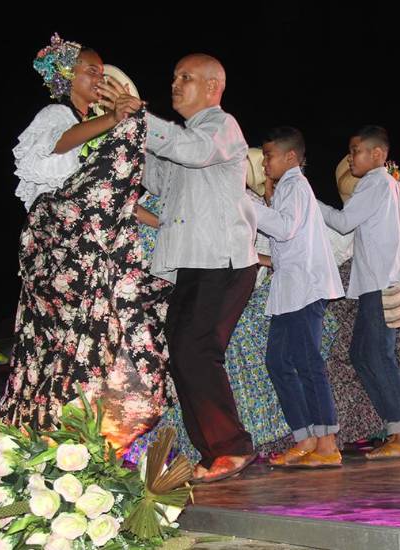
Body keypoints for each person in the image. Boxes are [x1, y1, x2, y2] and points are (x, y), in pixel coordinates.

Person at [0, 35, 171, 457]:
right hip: (58, 234)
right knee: (66, 331)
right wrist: (114, 118)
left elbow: (114, 197)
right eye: (91, 71)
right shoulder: (58, 115)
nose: (100, 78)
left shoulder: (96, 130)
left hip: (86, 239)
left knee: (98, 325)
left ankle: (78, 424)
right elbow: (58, 146)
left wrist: (168, 224)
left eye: (102, 73)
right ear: (66, 77)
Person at [127, 53, 258, 483]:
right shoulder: (185, 138)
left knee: (196, 350)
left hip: (221, 260)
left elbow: (192, 150)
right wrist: (125, 133)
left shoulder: (221, 126)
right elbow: (160, 179)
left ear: (212, 87)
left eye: (186, 77)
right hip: (195, 264)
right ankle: (214, 450)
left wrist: (140, 118)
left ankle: (231, 448)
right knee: (184, 351)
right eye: (174, 76)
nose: (175, 84)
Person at [319, 126, 400, 460]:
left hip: (381, 281)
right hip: (380, 281)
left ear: (378, 154)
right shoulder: (390, 185)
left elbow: (343, 222)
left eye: (355, 150)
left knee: (376, 355)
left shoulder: (375, 182)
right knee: (363, 354)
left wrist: (310, 203)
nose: (351, 158)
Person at [253, 127, 344, 468]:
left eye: (269, 156)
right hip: (290, 290)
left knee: (307, 363)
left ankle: (327, 443)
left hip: (304, 288)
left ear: (291, 157)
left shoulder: (295, 185)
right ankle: (305, 438)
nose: (264, 164)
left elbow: (284, 228)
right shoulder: (287, 188)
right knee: (277, 362)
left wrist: (246, 205)